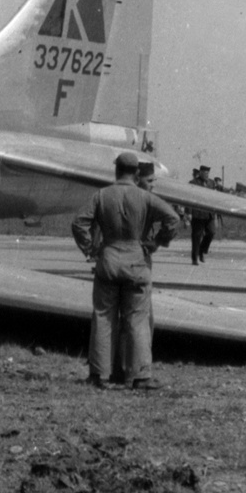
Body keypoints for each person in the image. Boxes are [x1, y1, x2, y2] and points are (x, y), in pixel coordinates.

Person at [71, 151, 180, 390]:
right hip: (136, 260)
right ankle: (140, 375)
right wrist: (156, 242)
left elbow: (79, 222)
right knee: (138, 319)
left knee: (103, 316)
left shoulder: (101, 195)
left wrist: (91, 248)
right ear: (137, 173)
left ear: (116, 170)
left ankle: (99, 374)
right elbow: (172, 219)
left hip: (108, 258)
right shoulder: (145, 197)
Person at [188, 166, 217, 265]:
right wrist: (189, 213)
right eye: (204, 172)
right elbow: (188, 198)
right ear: (200, 173)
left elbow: (214, 197)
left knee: (211, 232)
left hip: (209, 214)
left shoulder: (211, 183)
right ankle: (194, 258)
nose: (206, 174)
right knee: (196, 236)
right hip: (197, 214)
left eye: (208, 173)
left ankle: (202, 250)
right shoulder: (193, 183)